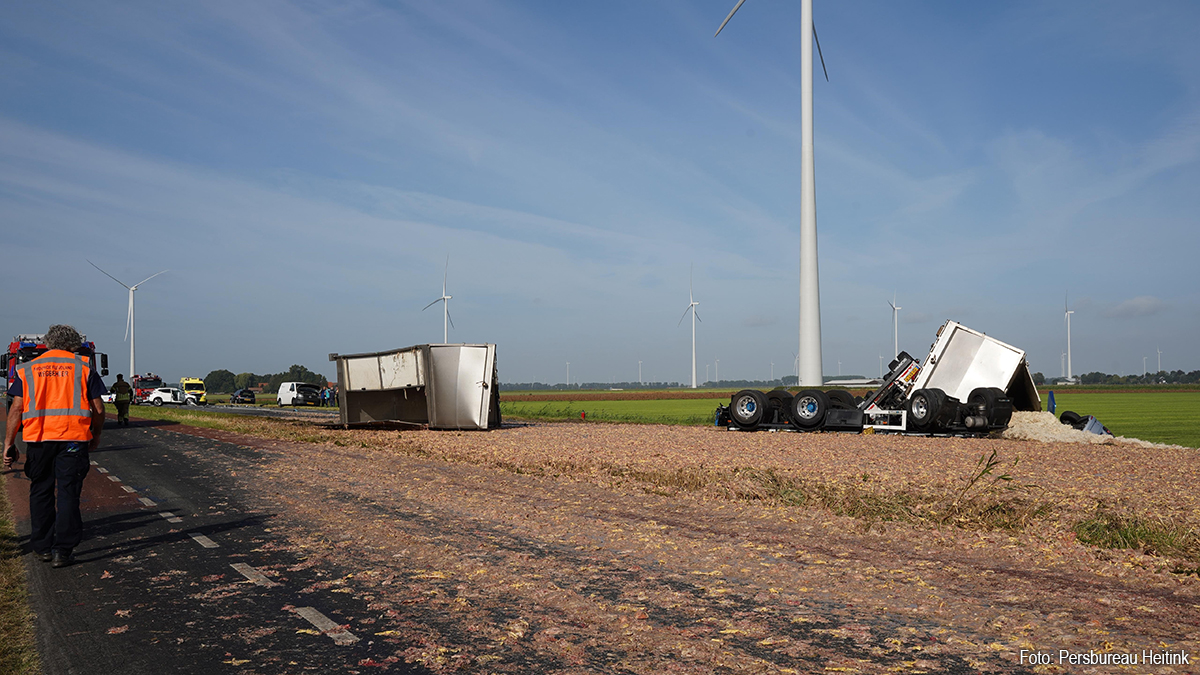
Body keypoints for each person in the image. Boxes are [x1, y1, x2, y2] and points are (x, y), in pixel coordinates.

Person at [3, 324, 106, 568]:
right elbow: (99, 409)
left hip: (39, 440)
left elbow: (16, 408)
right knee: (69, 493)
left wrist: (8, 443)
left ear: (48, 343)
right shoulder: (84, 367)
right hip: (73, 439)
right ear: (73, 345)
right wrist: (96, 434)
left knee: (41, 491)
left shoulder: (28, 369)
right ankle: (63, 551)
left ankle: (42, 548)